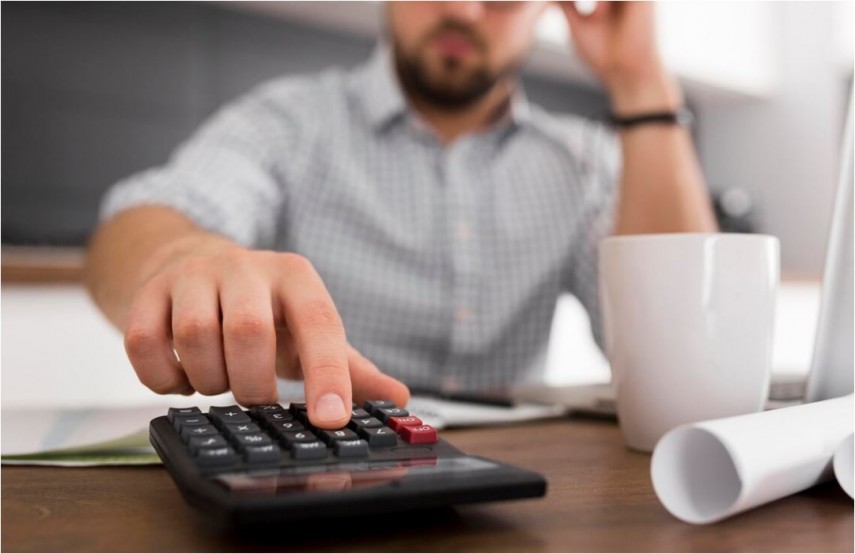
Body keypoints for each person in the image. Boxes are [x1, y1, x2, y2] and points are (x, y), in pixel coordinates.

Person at [86, 1, 716, 430]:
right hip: (317, 467)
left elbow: (680, 350)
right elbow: (149, 217)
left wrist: (639, 79)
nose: (464, 9)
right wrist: (188, 263)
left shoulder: (585, 162)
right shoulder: (288, 123)